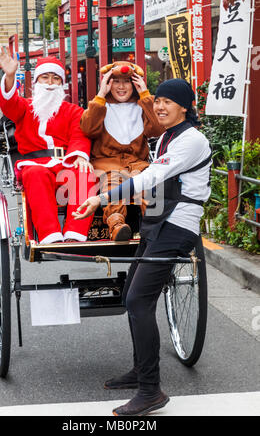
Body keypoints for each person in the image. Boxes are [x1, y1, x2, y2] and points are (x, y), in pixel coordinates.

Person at [73, 78, 212, 416]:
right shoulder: (166, 135)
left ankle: (151, 391)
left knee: (138, 300)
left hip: (178, 224)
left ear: (185, 106)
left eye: (168, 102)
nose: (160, 107)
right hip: (157, 220)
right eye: (158, 100)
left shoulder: (191, 140)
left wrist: (103, 198)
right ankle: (140, 370)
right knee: (128, 296)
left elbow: (150, 178)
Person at [0, 48, 94, 244]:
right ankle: (50, 235)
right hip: (34, 165)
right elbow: (8, 104)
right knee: (35, 174)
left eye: (55, 79)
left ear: (61, 83)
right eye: (45, 78)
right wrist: (9, 76)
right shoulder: (24, 107)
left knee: (85, 174)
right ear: (36, 83)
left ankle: (75, 235)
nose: (50, 83)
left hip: (65, 164)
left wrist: (81, 156)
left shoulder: (73, 110)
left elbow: (80, 135)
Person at [80, 61, 163, 241]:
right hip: (107, 163)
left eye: (127, 81)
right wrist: (101, 94)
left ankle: (154, 225)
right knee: (113, 182)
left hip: (138, 164)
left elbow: (157, 129)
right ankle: (117, 225)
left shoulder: (142, 106)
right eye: (115, 81)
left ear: (134, 84)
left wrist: (145, 95)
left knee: (150, 184)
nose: (121, 86)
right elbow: (88, 128)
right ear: (108, 83)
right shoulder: (100, 105)